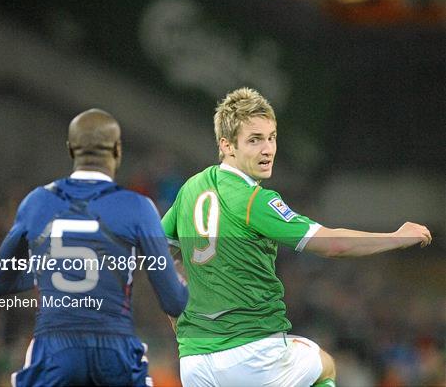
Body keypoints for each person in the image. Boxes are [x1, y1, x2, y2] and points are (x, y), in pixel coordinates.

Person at [161, 87, 432, 387]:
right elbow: (333, 244)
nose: (267, 149)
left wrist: (176, 312)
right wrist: (395, 237)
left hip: (194, 361)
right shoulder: (255, 201)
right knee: (325, 365)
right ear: (227, 146)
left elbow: (157, 249)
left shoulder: (191, 189)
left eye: (271, 137)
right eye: (254, 140)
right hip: (253, 355)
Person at [0, 109, 188, 386]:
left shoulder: (37, 202)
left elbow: (0, 281)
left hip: (53, 350)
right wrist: (181, 281)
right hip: (114, 351)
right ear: (118, 151)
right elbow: (173, 301)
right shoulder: (138, 207)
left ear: (71, 149)